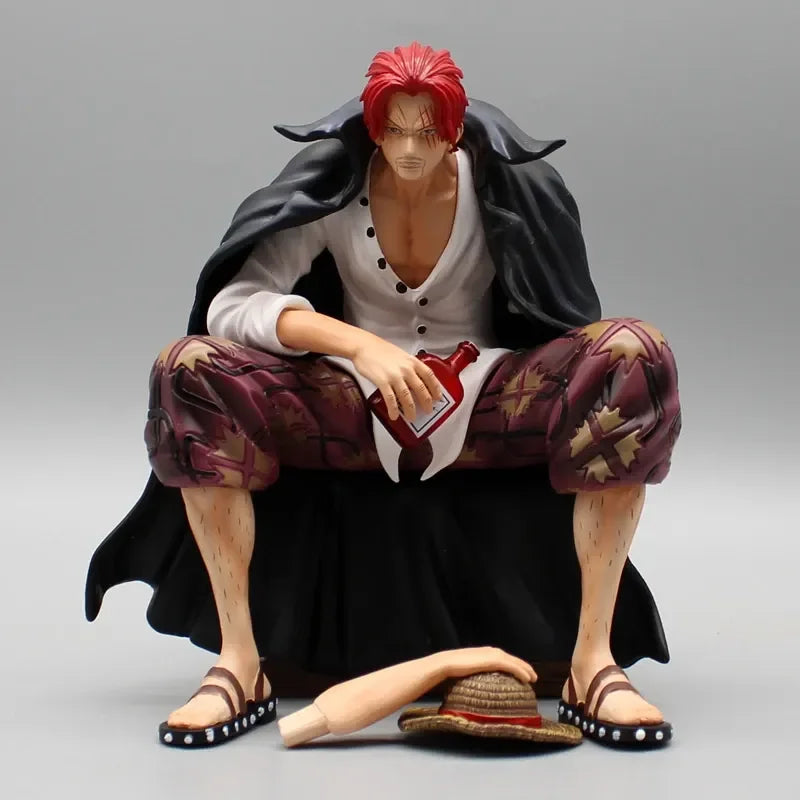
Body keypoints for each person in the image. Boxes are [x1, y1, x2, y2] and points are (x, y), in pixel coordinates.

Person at [93, 42, 682, 748]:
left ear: (455, 129)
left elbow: (563, 315)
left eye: (426, 132)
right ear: (373, 127)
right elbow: (234, 304)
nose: (408, 148)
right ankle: (240, 663)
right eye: (395, 130)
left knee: (633, 355)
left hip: (486, 401)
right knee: (189, 367)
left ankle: (592, 662)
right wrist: (356, 346)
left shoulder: (503, 191)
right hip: (346, 402)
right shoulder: (336, 189)